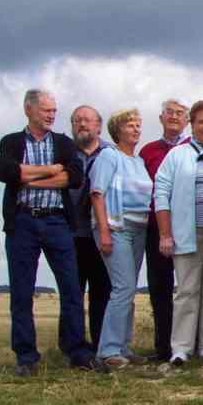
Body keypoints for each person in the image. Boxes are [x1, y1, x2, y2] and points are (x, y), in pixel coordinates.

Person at [0, 89, 94, 375]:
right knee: (22, 293)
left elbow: (74, 178)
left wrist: (29, 177)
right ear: (29, 110)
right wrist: (51, 170)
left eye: (54, 111)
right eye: (46, 110)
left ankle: (78, 352)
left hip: (57, 223)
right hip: (22, 222)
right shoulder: (11, 142)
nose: (52, 115)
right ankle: (26, 358)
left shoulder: (63, 143)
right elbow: (6, 173)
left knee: (72, 288)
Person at [153, 100, 203, 366]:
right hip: (187, 231)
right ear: (191, 125)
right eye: (201, 122)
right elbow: (161, 194)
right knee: (187, 290)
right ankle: (181, 348)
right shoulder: (177, 155)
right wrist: (165, 233)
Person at [90, 108, 154, 369]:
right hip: (116, 229)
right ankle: (108, 351)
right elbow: (97, 193)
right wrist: (104, 230)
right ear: (118, 130)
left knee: (128, 290)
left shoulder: (138, 162)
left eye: (138, 125)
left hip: (138, 230)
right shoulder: (108, 156)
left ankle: (123, 348)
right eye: (130, 125)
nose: (136, 129)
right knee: (123, 288)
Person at [137, 98, 188, 362]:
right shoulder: (148, 151)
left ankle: (187, 345)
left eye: (180, 114)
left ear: (187, 120)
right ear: (161, 118)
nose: (174, 117)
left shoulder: (194, 149)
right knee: (160, 287)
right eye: (169, 113)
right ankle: (163, 347)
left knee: (189, 288)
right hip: (157, 227)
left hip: (189, 227)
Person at [68, 104, 111, 352]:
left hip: (100, 233)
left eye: (87, 120)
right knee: (72, 293)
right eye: (77, 121)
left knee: (102, 293)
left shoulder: (111, 154)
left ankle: (100, 346)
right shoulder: (64, 153)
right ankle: (73, 348)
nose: (82, 125)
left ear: (99, 125)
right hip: (70, 233)